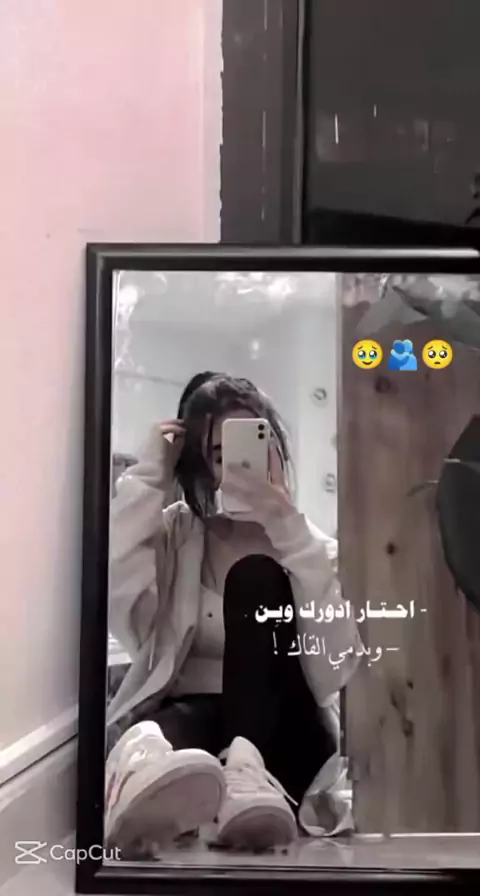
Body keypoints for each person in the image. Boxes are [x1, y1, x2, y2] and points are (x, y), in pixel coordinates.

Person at [105, 372, 362, 856]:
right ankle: (148, 785)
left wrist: (285, 527)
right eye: (220, 455)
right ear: (201, 466)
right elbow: (120, 598)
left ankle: (241, 779)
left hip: (288, 732)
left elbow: (334, 670)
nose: (239, 467)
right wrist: (150, 475)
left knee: (256, 578)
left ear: (276, 451)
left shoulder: (312, 547)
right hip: (198, 722)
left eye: (253, 447)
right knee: (164, 737)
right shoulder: (178, 536)